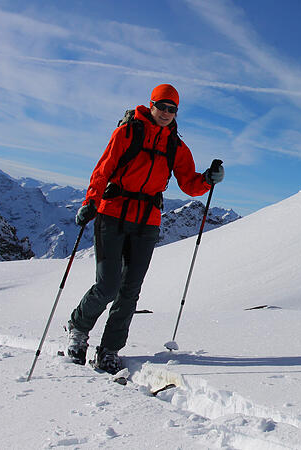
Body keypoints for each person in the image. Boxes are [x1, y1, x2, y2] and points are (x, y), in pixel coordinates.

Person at [66, 83, 224, 374]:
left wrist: (208, 179)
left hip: (147, 220)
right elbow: (103, 169)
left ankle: (110, 349)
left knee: (130, 291)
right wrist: (91, 201)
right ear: (151, 105)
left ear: (177, 112)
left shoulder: (175, 145)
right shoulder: (127, 132)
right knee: (108, 285)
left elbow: (189, 183)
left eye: (171, 108)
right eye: (161, 106)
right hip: (112, 213)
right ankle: (78, 328)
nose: (165, 113)